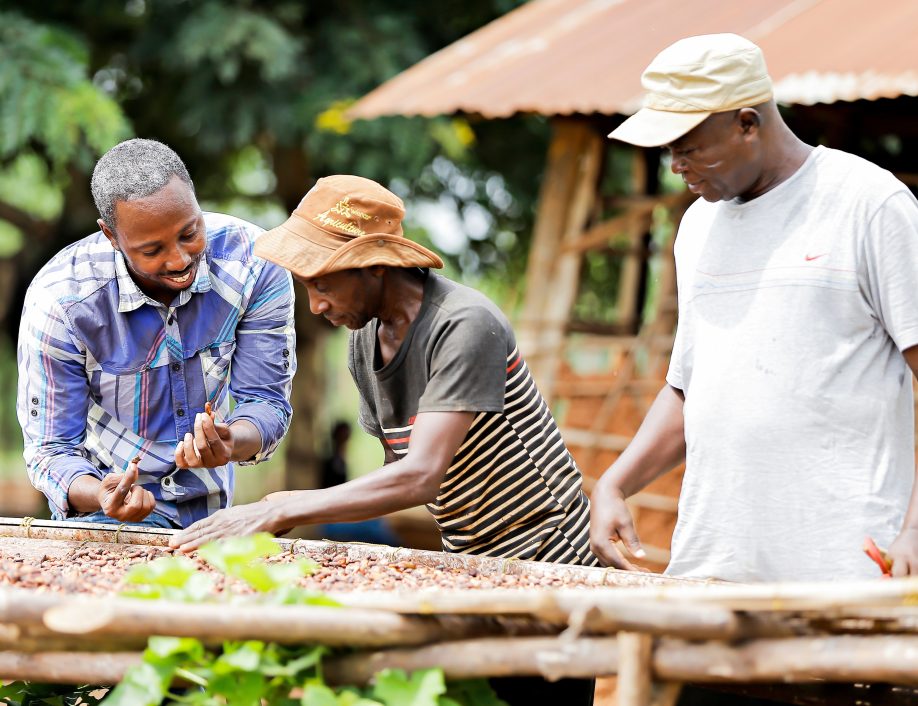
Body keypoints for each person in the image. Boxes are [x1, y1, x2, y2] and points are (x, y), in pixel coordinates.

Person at [171, 174, 597, 705]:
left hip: (545, 558)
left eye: (323, 282)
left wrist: (281, 509)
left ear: (375, 265)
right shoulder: (364, 343)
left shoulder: (464, 325)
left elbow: (420, 476)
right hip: (471, 558)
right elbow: (398, 476)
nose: (316, 305)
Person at [590, 33, 918, 583]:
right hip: (715, 564)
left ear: (747, 122)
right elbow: (690, 388)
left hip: (845, 568)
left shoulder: (868, 205)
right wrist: (615, 482)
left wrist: (914, 530)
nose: (676, 167)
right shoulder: (697, 227)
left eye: (689, 147)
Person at [17, 138, 296, 529]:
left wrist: (232, 439)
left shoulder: (255, 266)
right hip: (103, 519)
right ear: (111, 237)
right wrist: (101, 493)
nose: (180, 260)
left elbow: (266, 401)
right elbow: (51, 450)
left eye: (189, 233)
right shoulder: (62, 302)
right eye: (152, 250)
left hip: (214, 516)